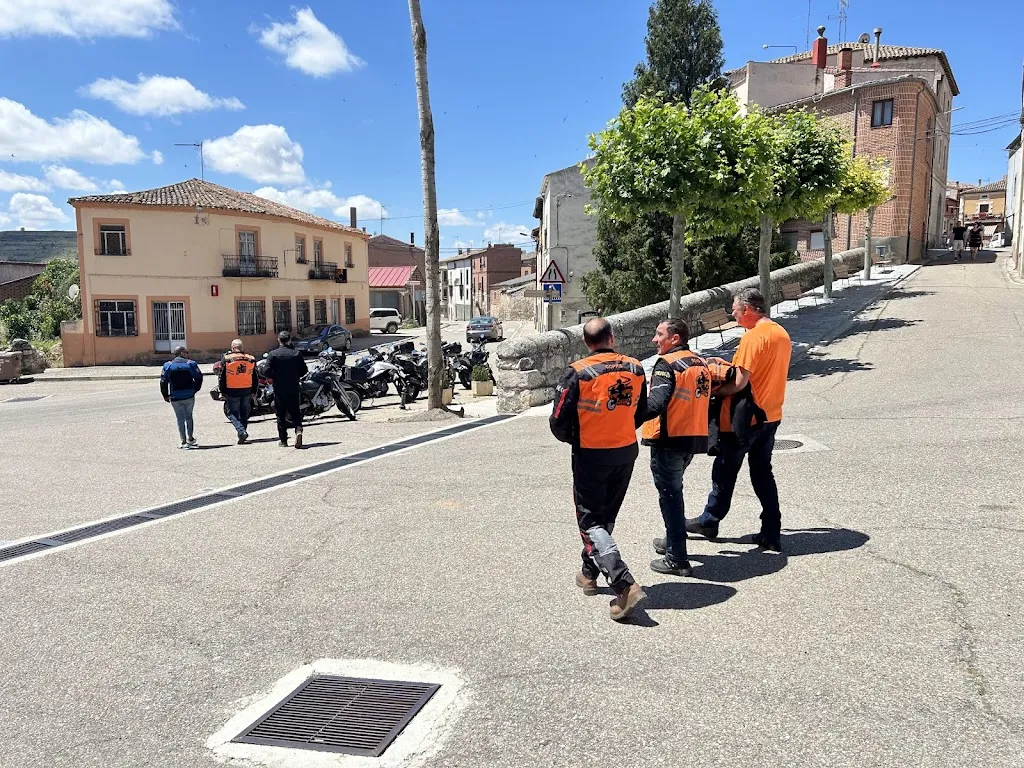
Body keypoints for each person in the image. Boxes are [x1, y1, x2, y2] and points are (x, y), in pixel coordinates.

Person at [550, 317, 649, 622]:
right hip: (625, 451)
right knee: (605, 517)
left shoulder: (578, 372)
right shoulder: (636, 368)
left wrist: (579, 438)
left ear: (586, 343)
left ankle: (623, 583)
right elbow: (640, 412)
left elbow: (558, 421)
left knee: (590, 521)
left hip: (591, 454)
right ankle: (588, 572)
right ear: (612, 338)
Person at [687, 288, 791, 551]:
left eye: (734, 309)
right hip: (772, 414)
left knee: (725, 468)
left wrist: (711, 392)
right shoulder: (781, 333)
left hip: (747, 417)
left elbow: (738, 383)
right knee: (762, 473)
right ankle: (771, 530)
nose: (732, 313)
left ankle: (710, 519)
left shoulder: (753, 339)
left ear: (747, 310)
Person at [640, 318, 711, 577]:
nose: (654, 340)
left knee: (670, 497)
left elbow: (656, 404)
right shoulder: (700, 362)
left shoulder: (666, 365)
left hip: (669, 439)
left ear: (675, 338)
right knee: (674, 493)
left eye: (660, 335)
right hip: (692, 438)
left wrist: (628, 417)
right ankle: (673, 542)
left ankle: (677, 558)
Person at [265, 330, 308, 448]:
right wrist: (295, 376)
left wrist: (275, 376)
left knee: (280, 414)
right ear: (289, 340)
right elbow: (304, 370)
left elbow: (266, 371)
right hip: (293, 387)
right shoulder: (296, 354)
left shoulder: (273, 354)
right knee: (295, 412)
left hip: (279, 389)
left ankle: (283, 440)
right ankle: (298, 430)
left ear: (279, 340)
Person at [160, 345, 204, 449]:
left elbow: (163, 381)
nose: (187, 354)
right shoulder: (191, 364)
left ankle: (183, 441)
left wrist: (165, 395)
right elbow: (199, 378)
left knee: (180, 419)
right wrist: (195, 389)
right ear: (182, 353)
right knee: (189, 416)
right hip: (189, 395)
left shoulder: (168, 366)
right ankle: (191, 438)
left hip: (175, 396)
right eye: (186, 352)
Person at [219, 338, 258, 444]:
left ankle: (241, 432)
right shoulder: (251, 359)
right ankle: (243, 432)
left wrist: (222, 391)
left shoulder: (226, 359)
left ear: (232, 348)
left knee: (232, 413)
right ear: (242, 348)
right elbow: (255, 377)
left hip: (232, 390)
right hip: (247, 389)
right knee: (244, 412)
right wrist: (254, 390)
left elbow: (222, 377)